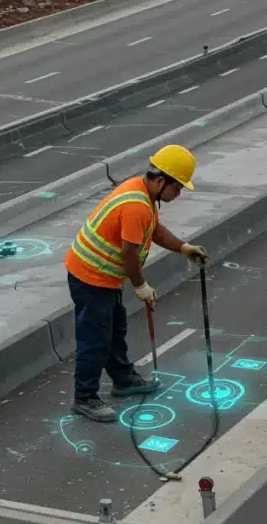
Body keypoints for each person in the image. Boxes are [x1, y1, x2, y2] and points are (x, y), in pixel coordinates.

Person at [63, 144, 210, 422]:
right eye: (177, 188)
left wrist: (183, 247)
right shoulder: (135, 207)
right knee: (95, 338)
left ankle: (122, 379)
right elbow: (129, 253)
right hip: (90, 278)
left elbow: (153, 230)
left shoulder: (145, 195)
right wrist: (141, 287)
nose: (178, 195)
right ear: (161, 180)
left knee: (116, 328)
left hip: (104, 278)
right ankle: (84, 397)